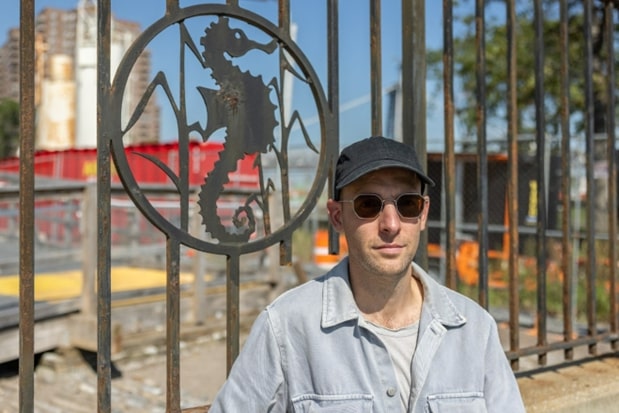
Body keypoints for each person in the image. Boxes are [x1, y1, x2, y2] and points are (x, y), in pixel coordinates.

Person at [209, 136, 525, 412]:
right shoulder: (287, 329)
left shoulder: (473, 331)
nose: (391, 223)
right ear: (337, 216)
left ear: (423, 213)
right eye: (368, 204)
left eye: (408, 204)